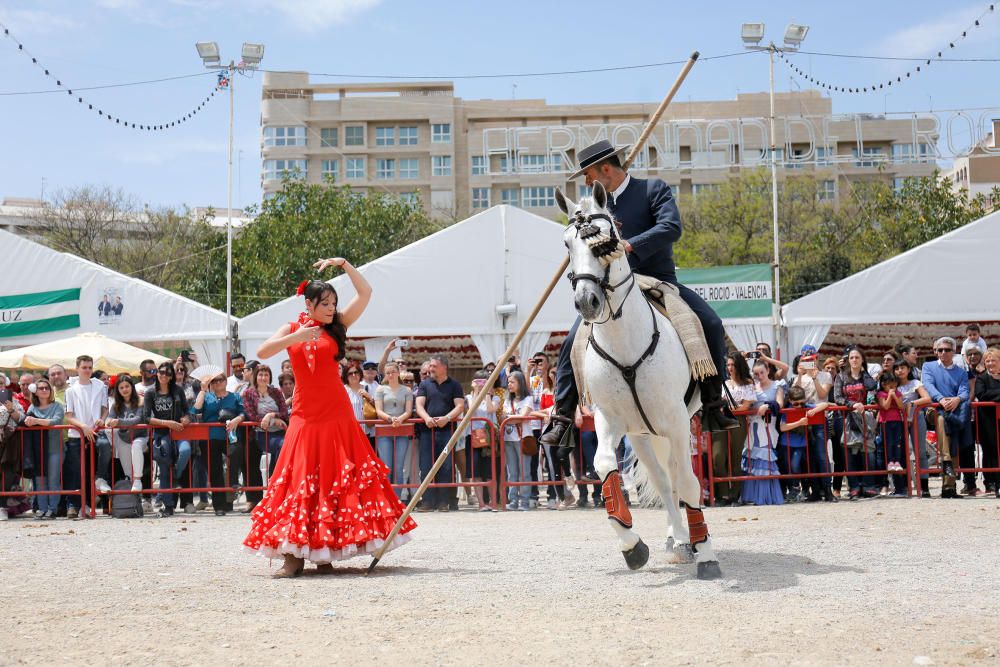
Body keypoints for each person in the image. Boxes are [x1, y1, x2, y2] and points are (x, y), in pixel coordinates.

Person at [543, 139, 737, 453]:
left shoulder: (652, 190)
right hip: (612, 289)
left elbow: (671, 227)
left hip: (658, 281)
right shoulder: (594, 206)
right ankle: (563, 417)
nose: (587, 182)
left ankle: (714, 402)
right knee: (571, 341)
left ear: (605, 169)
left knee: (710, 323)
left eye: (589, 175)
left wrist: (629, 245)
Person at [243, 258, 416, 578]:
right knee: (298, 480)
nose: (331, 308)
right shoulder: (291, 329)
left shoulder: (337, 327)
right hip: (305, 414)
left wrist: (344, 264)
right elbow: (264, 352)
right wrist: (297, 337)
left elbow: (365, 293)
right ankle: (293, 557)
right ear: (309, 304)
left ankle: (324, 552)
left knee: (335, 480)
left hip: (336, 413)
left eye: (334, 303)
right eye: (325, 304)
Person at [414, 355, 465, 513]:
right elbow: (419, 404)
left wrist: (447, 418)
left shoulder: (454, 385)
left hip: (447, 431)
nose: (431, 369)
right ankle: (428, 501)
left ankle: (444, 501)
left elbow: (460, 406)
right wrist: (426, 418)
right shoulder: (424, 384)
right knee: (426, 466)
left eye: (434, 366)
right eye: (430, 366)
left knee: (446, 467)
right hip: (427, 432)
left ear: (444, 367)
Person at [922, 337, 973, 497]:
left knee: (952, 439)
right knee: (942, 421)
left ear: (954, 352)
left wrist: (957, 399)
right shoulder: (928, 366)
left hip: (955, 411)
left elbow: (965, 391)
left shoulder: (961, 372)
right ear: (936, 351)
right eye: (940, 349)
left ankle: (949, 488)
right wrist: (941, 399)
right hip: (935, 410)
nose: (943, 352)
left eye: (947, 349)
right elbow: (928, 385)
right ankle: (947, 461)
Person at [193, 369, 245, 515]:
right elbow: (196, 410)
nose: (218, 383)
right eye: (214, 381)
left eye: (221, 380)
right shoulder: (207, 397)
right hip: (211, 437)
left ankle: (232, 488)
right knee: (215, 470)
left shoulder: (235, 397)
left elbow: (243, 412)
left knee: (235, 455)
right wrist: (203, 390)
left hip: (231, 436)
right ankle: (219, 506)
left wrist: (237, 419)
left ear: (226, 381)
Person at [64, 355, 110, 518]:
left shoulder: (100, 387)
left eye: (90, 367)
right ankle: (73, 505)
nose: (87, 370)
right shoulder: (70, 390)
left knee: (91, 469)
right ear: (77, 368)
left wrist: (101, 420)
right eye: (84, 367)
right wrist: (83, 427)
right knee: (76, 471)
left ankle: (89, 504)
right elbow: (69, 415)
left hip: (96, 432)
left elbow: (105, 409)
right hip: (77, 434)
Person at [143, 362, 191, 516]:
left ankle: (176, 476)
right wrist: (166, 423)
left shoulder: (178, 390)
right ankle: (168, 505)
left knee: (185, 451)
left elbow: (186, 410)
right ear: (157, 373)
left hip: (178, 432)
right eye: (161, 372)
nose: (164, 375)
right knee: (164, 469)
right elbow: (146, 418)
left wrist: (186, 418)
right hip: (161, 433)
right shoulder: (150, 392)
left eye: (168, 373)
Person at [834, 347, 879, 499]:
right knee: (850, 453)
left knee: (868, 452)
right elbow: (837, 397)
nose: (854, 360)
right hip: (848, 418)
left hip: (865, 418)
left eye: (857, 357)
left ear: (862, 360)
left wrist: (864, 372)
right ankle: (854, 486)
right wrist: (851, 404)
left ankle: (869, 485)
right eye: (851, 357)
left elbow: (873, 388)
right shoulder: (841, 377)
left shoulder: (866, 377)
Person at [739, 360, 784, 505]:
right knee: (752, 456)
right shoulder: (752, 387)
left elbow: (780, 404)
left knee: (765, 457)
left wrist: (767, 405)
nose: (759, 376)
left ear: (768, 371)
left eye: (762, 372)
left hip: (768, 426)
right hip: (753, 426)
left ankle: (765, 496)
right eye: (756, 373)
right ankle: (751, 496)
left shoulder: (777, 386)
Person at [712, 352, 754, 505]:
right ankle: (722, 494)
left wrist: (727, 408)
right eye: (728, 365)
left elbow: (745, 406)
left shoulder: (748, 383)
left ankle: (734, 494)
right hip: (722, 421)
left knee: (736, 457)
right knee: (718, 456)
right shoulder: (723, 382)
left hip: (738, 421)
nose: (730, 368)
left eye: (732, 365)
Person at [778, 385, 832, 502]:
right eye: (796, 404)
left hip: (801, 445)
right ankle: (793, 487)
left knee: (795, 464)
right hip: (786, 444)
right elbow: (782, 427)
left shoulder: (807, 407)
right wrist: (799, 423)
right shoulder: (787, 410)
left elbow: (825, 404)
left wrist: (814, 410)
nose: (799, 407)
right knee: (787, 466)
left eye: (802, 403)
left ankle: (797, 487)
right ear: (790, 401)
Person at [23, 378, 65, 518]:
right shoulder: (32, 408)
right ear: (36, 392)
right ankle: (42, 509)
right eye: (41, 388)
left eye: (47, 388)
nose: (45, 390)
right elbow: (27, 422)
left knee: (53, 479)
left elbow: (56, 421)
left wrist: (35, 421)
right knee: (40, 480)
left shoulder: (57, 406)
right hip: (37, 450)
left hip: (55, 448)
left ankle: (52, 509)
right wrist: (29, 421)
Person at [374, 361, 414, 500]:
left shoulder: (407, 390)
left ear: (398, 373)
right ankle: (386, 499)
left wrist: (400, 419)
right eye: (388, 373)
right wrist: (391, 419)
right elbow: (378, 410)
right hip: (385, 431)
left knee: (399, 467)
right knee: (387, 467)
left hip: (401, 430)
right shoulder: (380, 390)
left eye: (393, 372)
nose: (390, 375)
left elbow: (408, 411)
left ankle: (396, 499)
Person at [242, 364, 289, 482]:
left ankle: (274, 483)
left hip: (280, 431)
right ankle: (275, 481)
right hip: (262, 433)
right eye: (261, 374)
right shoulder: (248, 393)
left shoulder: (276, 392)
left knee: (282, 449)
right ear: (256, 377)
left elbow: (284, 412)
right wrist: (271, 420)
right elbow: (252, 416)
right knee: (282, 445)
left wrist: (271, 416)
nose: (263, 377)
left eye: (266, 375)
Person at [463, 370, 500, 510]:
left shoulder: (495, 398)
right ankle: (481, 503)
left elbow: (490, 410)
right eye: (478, 382)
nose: (481, 384)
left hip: (489, 438)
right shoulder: (468, 397)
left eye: (484, 382)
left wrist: (488, 394)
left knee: (490, 472)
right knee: (476, 472)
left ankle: (493, 502)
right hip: (472, 437)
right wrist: (476, 392)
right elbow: (471, 411)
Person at [895, 359, 932, 498]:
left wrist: (912, 402)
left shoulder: (915, 383)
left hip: (916, 418)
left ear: (908, 369)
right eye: (897, 368)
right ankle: (903, 486)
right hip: (899, 421)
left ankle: (924, 486)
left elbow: (927, 398)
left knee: (920, 451)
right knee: (901, 453)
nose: (900, 370)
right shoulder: (893, 385)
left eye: (902, 367)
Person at [107, 375, 148, 493]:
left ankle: (138, 480)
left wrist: (119, 422)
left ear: (132, 387)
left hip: (140, 436)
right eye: (121, 387)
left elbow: (137, 420)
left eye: (127, 386)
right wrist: (108, 422)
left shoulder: (140, 401)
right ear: (118, 390)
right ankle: (133, 497)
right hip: (123, 438)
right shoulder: (116, 405)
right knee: (127, 471)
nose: (125, 389)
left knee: (136, 445)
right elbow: (110, 418)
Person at [501, 370, 534, 511]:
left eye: (512, 382)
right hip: (509, 439)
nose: (509, 384)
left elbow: (522, 417)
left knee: (524, 472)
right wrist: (512, 418)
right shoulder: (507, 400)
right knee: (512, 472)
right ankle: (513, 500)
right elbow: (503, 418)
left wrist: (510, 418)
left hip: (523, 438)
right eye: (508, 382)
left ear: (520, 383)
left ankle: (525, 501)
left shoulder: (528, 399)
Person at [974, 348, 1000, 497]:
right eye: (987, 361)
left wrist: (994, 396)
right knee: (992, 451)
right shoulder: (982, 378)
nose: (990, 363)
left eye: (993, 360)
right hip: (988, 421)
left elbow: (990, 395)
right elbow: (982, 394)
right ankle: (994, 483)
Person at [876, 372, 906, 496]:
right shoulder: (881, 394)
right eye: (890, 385)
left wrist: (894, 396)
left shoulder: (897, 393)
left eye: (894, 384)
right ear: (883, 384)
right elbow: (886, 406)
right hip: (886, 421)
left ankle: (896, 461)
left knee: (897, 442)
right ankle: (890, 462)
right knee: (888, 442)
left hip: (897, 421)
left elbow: (901, 406)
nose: (893, 387)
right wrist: (889, 396)